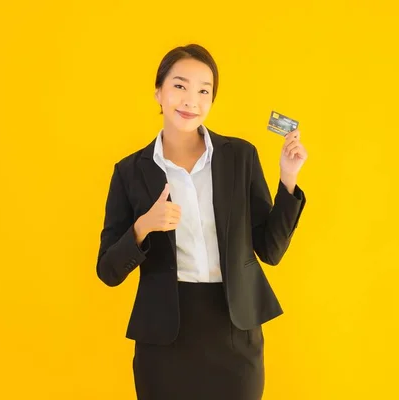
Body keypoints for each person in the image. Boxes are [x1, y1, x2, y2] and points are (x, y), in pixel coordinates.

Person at [96, 43, 307, 400]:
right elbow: (108, 271)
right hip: (164, 338)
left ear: (211, 101)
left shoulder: (240, 156)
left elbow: (270, 250)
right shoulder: (130, 172)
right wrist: (143, 226)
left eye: (203, 90)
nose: (190, 100)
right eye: (179, 86)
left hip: (234, 330)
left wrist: (288, 179)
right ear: (158, 93)